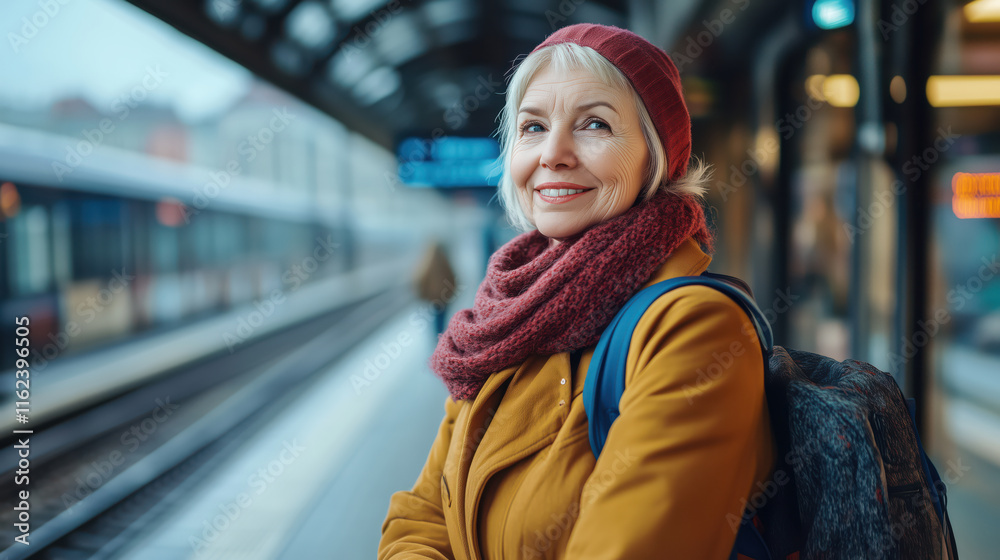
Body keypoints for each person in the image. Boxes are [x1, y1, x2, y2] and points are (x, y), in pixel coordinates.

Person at [379, 23, 775, 560]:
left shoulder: (694, 328)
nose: (554, 153)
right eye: (533, 127)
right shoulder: (502, 320)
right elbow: (421, 517)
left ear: (654, 158)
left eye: (594, 124)